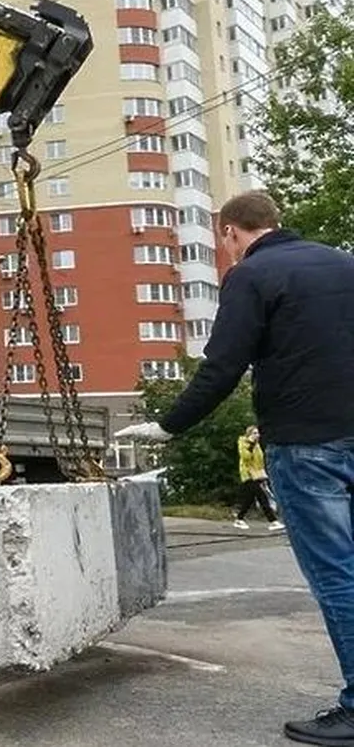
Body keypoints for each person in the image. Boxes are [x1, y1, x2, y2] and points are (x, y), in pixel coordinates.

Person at [115, 190, 354, 746]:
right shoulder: (344, 263)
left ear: (229, 233)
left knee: (339, 574)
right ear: (277, 220)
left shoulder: (251, 275)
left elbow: (222, 365)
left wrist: (169, 425)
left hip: (306, 444)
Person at [234, 425, 283, 532]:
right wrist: (250, 445)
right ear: (249, 434)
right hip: (248, 474)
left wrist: (263, 474)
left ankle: (239, 518)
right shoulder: (243, 443)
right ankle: (273, 521)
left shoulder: (257, 445)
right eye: (254, 433)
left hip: (257, 474)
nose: (257, 435)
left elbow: (260, 460)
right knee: (262, 497)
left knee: (249, 499)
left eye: (257, 433)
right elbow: (246, 457)